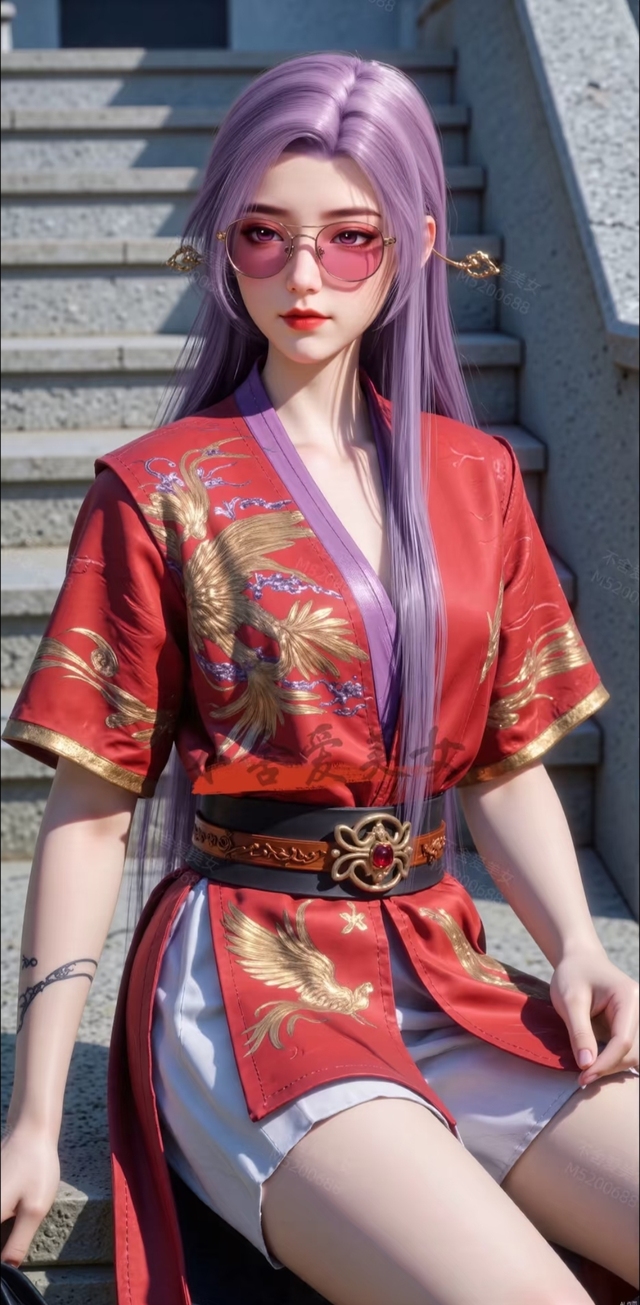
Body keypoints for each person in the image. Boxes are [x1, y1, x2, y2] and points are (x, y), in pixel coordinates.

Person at [1, 52, 638, 1305]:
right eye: (264, 235)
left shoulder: (475, 477)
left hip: (440, 962)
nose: (303, 277)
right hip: (247, 980)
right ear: (220, 246)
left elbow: (504, 759)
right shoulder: (159, 488)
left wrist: (575, 944)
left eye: (350, 240)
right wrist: (32, 1116)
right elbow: (89, 809)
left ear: (414, 247)